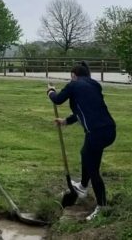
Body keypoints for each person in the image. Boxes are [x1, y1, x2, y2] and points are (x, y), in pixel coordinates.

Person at [47, 61, 116, 221]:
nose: (71, 79)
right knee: (86, 153)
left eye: (71, 77)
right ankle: (83, 187)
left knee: (93, 168)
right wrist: (66, 121)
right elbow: (85, 110)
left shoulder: (74, 85)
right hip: (109, 130)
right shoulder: (94, 85)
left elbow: (57, 100)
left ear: (74, 75)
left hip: (96, 132)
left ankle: (102, 205)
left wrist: (50, 91)